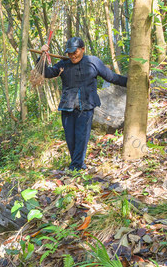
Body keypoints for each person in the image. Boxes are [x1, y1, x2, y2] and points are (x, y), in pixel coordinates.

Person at [39, 37, 128, 171]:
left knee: (81, 137)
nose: (72, 55)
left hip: (86, 106)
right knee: (71, 139)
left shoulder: (93, 62)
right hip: (67, 106)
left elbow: (111, 77)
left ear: (82, 49)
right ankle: (78, 164)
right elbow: (47, 73)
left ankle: (76, 168)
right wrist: (42, 57)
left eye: (75, 52)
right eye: (69, 53)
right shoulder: (64, 64)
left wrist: (130, 82)